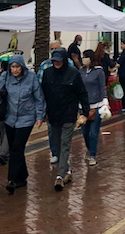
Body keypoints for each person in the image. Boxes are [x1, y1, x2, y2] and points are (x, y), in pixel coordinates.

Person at [0, 54, 45, 194]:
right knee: (17, 149)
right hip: (9, 118)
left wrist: (40, 116)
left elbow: (39, 98)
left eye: (17, 67)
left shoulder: (31, 77)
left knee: (16, 149)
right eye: (12, 67)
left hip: (26, 119)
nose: (15, 70)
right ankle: (22, 176)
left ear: (22, 67)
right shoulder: (4, 77)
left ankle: (12, 180)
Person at [41, 48, 90, 191]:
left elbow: (82, 93)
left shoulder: (73, 73)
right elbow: (43, 94)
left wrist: (84, 112)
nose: (57, 63)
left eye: (59, 60)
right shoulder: (47, 73)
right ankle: (67, 170)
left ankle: (60, 175)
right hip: (53, 115)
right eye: (54, 60)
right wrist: (42, 113)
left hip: (69, 114)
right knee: (57, 144)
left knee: (65, 143)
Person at [38, 40, 74, 164]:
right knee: (52, 130)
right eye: (51, 49)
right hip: (51, 105)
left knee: (65, 133)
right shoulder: (44, 65)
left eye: (56, 49)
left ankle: (64, 156)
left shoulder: (69, 64)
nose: (53, 51)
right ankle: (55, 153)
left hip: (66, 106)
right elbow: (40, 85)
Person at [79, 50, 107, 166]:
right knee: (85, 132)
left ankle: (93, 155)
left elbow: (102, 87)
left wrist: (105, 102)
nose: (83, 59)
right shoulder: (80, 71)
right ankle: (90, 148)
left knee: (93, 132)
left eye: (85, 57)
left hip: (96, 106)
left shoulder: (99, 71)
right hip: (83, 107)